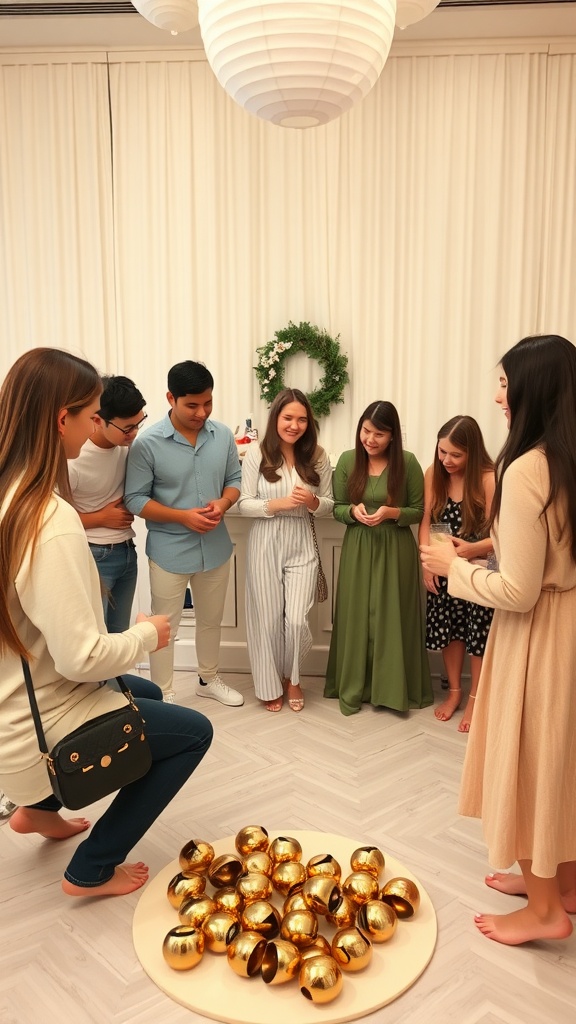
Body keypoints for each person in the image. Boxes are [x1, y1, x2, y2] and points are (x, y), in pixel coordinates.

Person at [0, 348, 213, 897]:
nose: (99, 426)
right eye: (93, 414)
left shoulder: (11, 496)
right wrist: (147, 634)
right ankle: (92, 868)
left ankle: (36, 812)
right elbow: (81, 658)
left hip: (15, 701)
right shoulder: (51, 520)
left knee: (147, 692)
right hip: (34, 730)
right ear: (61, 420)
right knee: (194, 733)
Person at [421, 334, 576, 945]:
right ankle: (562, 882)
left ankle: (545, 910)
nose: (497, 397)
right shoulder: (566, 458)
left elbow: (517, 589)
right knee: (560, 758)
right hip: (567, 625)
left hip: (537, 635)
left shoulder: (527, 466)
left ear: (534, 389)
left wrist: (451, 565)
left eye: (507, 385)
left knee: (530, 760)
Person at [124, 360, 244, 706]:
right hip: (169, 552)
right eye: (192, 405)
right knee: (164, 628)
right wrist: (182, 517)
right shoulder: (147, 444)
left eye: (208, 403)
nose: (201, 412)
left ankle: (208, 679)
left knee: (211, 621)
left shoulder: (223, 435)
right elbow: (135, 499)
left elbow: (234, 480)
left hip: (216, 549)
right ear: (171, 399)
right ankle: (163, 694)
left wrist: (224, 502)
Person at [324, 401, 432, 715]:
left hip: (395, 547)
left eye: (379, 434)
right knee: (357, 614)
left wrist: (391, 512)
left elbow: (418, 511)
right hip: (358, 546)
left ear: (393, 436)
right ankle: (356, 686)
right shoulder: (347, 460)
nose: (370, 439)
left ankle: (391, 689)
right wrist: (352, 511)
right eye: (366, 431)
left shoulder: (408, 463)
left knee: (392, 615)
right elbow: (337, 508)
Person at [238, 388, 333, 712]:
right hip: (265, 539)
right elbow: (244, 504)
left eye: (302, 419)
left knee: (295, 620)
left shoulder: (318, 455)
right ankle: (269, 684)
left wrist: (313, 501)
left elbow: (329, 505)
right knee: (266, 619)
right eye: (288, 418)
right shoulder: (257, 453)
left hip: (301, 540)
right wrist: (278, 504)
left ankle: (293, 678)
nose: (294, 425)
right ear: (275, 418)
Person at [419, 416, 495, 732]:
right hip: (443, 564)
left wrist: (468, 551)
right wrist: (427, 562)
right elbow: (427, 521)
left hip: (478, 568)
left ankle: (476, 697)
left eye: (455, 455)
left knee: (478, 633)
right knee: (448, 629)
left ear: (472, 453)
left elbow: (500, 536)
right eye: (442, 452)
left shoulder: (489, 478)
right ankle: (454, 692)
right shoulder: (434, 473)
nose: (446, 460)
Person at [68, 374, 146, 634]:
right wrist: (100, 518)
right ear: (98, 420)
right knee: (96, 637)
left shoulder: (126, 446)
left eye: (138, 424)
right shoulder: (74, 458)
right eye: (127, 428)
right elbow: (51, 517)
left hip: (127, 551)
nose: (134, 433)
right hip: (93, 554)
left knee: (120, 636)